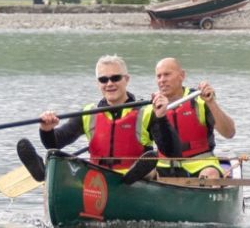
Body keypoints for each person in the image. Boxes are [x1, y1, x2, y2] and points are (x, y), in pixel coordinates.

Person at [16, 54, 153, 181]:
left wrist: (162, 116)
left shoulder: (147, 112)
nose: (109, 83)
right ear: (98, 83)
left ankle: (138, 176)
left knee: (151, 165)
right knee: (57, 155)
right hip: (99, 182)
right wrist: (46, 130)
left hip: (135, 181)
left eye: (115, 78)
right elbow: (55, 143)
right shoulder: (88, 114)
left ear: (126, 79)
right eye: (103, 79)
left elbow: (168, 148)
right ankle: (45, 171)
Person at [148, 56, 236, 179]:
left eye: (167, 74)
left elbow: (229, 133)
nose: (162, 80)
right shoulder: (151, 107)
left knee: (210, 175)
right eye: (159, 76)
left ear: (182, 76)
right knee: (143, 175)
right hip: (164, 167)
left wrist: (211, 103)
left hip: (201, 165)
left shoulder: (199, 100)